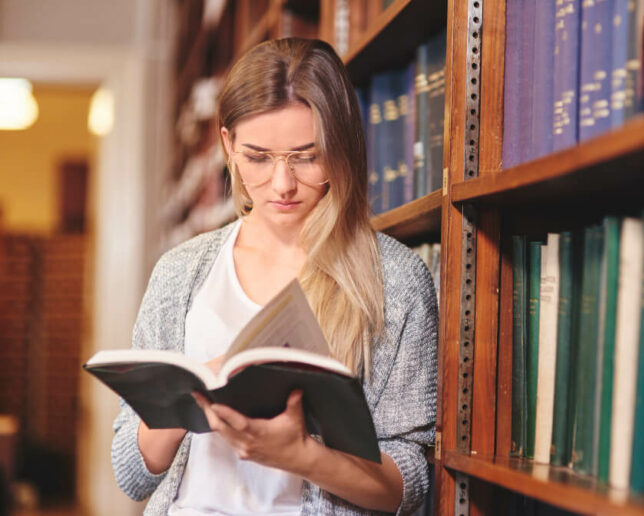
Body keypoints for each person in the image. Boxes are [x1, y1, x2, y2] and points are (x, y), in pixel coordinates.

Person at [111, 37, 438, 515]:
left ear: (342, 147)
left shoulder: (396, 280)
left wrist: (304, 457)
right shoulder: (180, 273)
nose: (282, 184)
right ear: (228, 145)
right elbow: (132, 474)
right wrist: (187, 398)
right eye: (258, 157)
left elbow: (408, 486)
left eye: (306, 156)